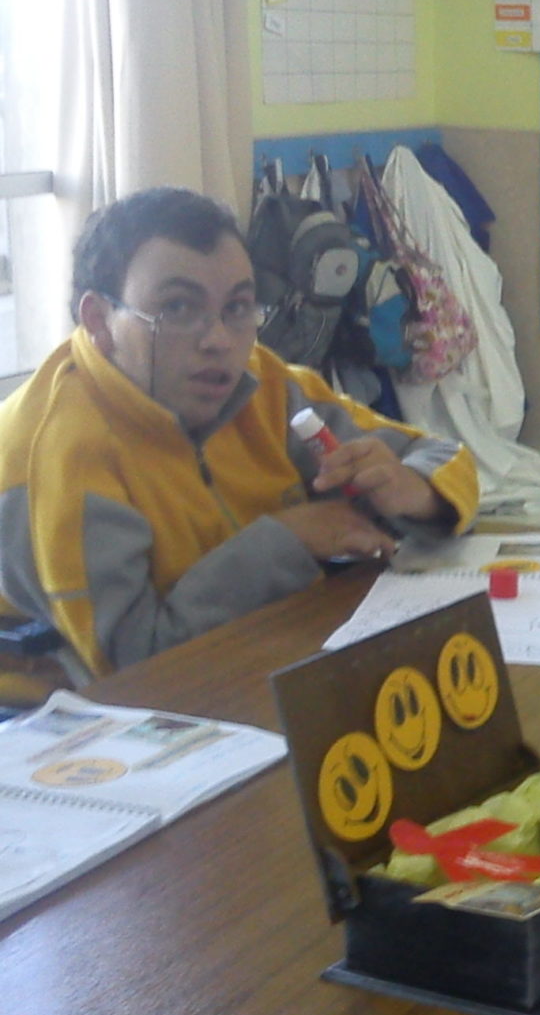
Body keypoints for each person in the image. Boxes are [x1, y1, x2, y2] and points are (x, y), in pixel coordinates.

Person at [0, 188, 478, 686]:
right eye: (179, 308)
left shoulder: (264, 384)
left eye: (238, 307)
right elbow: (134, 665)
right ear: (99, 321)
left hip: (261, 644)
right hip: (65, 718)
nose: (220, 341)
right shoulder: (59, 456)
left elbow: (442, 453)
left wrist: (416, 491)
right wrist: (288, 540)